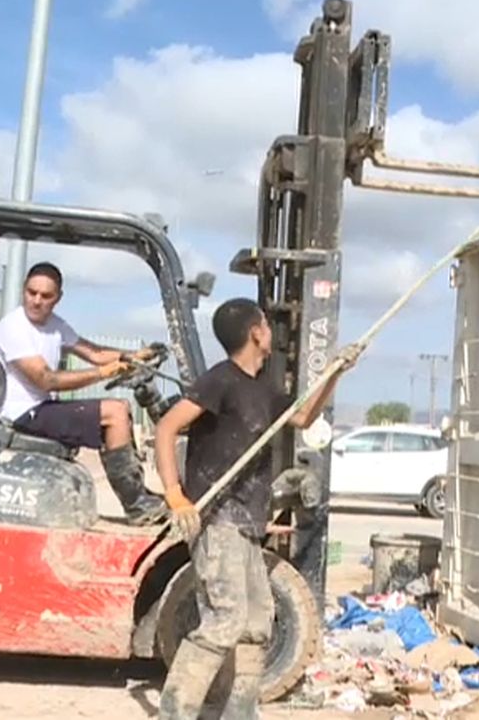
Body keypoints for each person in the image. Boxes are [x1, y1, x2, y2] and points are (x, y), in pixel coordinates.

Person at [151, 297, 358, 720]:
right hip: (219, 519)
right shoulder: (220, 381)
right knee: (225, 619)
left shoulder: (262, 389)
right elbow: (166, 427)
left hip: (248, 523)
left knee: (257, 623)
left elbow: (301, 418)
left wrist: (335, 373)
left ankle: (239, 711)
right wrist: (175, 494)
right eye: (266, 324)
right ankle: (175, 712)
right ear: (256, 333)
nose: (271, 331)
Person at [0, 261, 167, 525]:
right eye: (31, 292)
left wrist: (133, 357)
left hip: (41, 408)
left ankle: (139, 494)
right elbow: (45, 380)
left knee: (121, 407)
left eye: (46, 296)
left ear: (58, 298)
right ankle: (137, 505)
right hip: (23, 413)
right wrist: (103, 373)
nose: (37, 301)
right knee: (115, 411)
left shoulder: (55, 325)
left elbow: (94, 353)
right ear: (24, 290)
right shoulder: (13, 327)